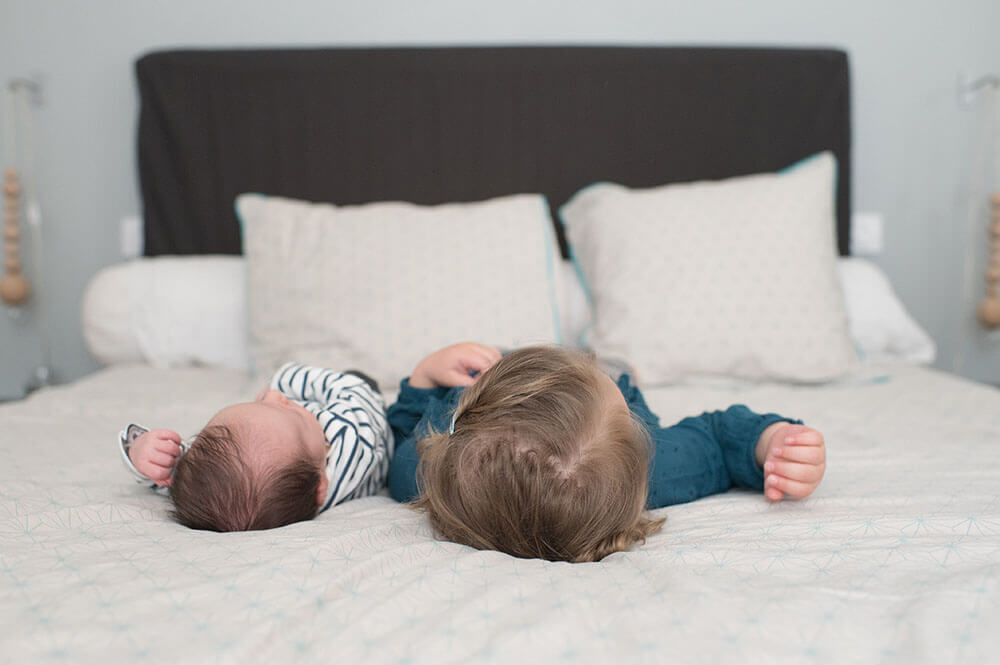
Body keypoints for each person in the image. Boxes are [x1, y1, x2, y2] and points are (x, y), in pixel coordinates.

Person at [387, 342, 826, 562]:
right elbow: (720, 435)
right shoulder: (653, 466)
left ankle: (542, 364)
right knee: (609, 374)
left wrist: (425, 374)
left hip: (479, 388)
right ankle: (614, 373)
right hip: (603, 396)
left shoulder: (425, 469)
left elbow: (405, 428)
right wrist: (770, 442)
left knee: (485, 372)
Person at [119, 362, 392, 532]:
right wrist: (285, 377)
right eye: (294, 414)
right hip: (375, 420)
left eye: (260, 402)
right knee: (357, 378)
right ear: (321, 486)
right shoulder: (353, 441)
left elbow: (181, 482)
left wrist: (142, 453)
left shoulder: (222, 500)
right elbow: (357, 394)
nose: (276, 396)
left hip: (285, 441)